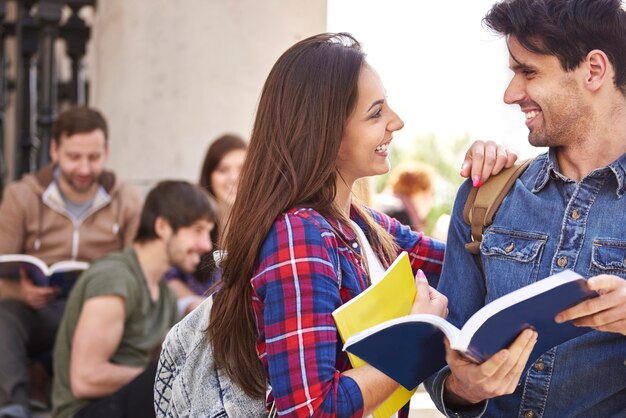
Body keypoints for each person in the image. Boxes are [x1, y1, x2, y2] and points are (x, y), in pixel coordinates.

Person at [203, 33, 517, 418]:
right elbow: (312, 410)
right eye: (376, 113)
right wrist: (419, 333)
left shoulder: (360, 224)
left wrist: (495, 183)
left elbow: (475, 261)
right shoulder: (298, 236)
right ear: (325, 131)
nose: (396, 122)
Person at [425, 1, 626, 417]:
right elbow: (443, 357)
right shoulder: (485, 197)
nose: (510, 94)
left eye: (528, 72)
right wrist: (465, 388)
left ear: (593, 70)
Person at [0, 106, 142, 418]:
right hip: (38, 311)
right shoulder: (21, 196)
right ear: (54, 150)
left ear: (106, 151)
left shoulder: (126, 200)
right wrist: (20, 292)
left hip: (100, 316)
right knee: (4, 316)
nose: (83, 167)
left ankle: (44, 374)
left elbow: (139, 268)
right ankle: (14, 406)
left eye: (93, 158)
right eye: (74, 156)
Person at [52, 180, 215, 418]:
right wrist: (165, 378)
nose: (206, 245)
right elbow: (84, 379)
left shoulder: (166, 295)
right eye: (198, 230)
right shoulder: (115, 277)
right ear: (163, 227)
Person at [166, 134, 247, 316]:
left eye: (242, 169)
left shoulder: (262, 226)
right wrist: (198, 307)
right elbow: (166, 275)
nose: (233, 178)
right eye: (223, 170)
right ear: (209, 175)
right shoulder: (189, 221)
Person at [375, 161, 436, 232]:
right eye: (431, 193)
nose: (430, 200)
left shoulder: (380, 203)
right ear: (420, 190)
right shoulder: (400, 216)